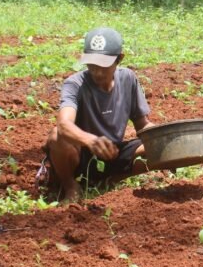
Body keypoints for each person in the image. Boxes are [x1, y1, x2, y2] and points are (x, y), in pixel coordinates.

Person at [36, 27, 154, 204]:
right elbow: (63, 125)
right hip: (82, 157)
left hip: (113, 152)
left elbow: (142, 125)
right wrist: (90, 141)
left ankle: (113, 179)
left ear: (119, 58)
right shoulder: (74, 84)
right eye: (91, 65)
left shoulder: (128, 79)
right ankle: (71, 186)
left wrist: (166, 138)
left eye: (103, 66)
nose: (97, 72)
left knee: (156, 147)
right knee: (56, 136)